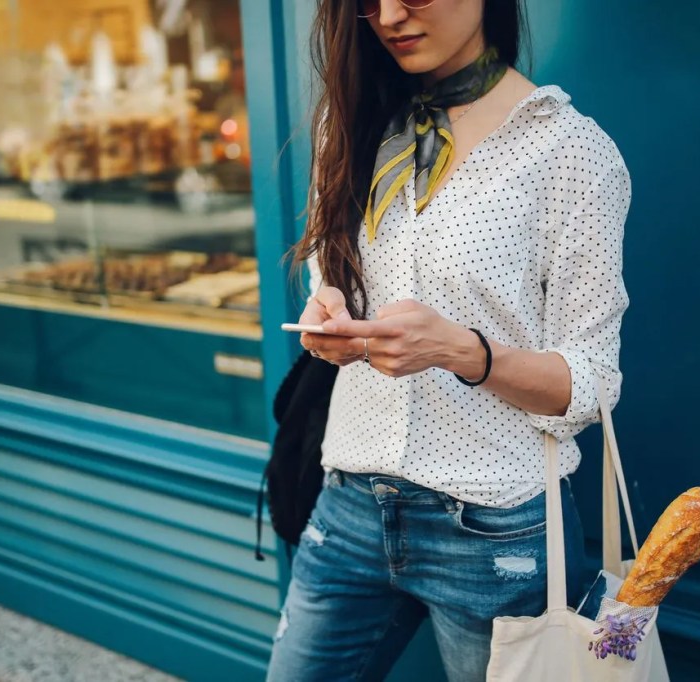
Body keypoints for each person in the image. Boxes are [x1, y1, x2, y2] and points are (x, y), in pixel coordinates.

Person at [267, 0, 630, 680]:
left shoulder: (568, 150)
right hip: (348, 499)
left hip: (495, 530)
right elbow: (331, 278)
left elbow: (591, 385)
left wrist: (464, 352)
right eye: (369, 3)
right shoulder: (346, 121)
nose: (392, 15)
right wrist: (329, 316)